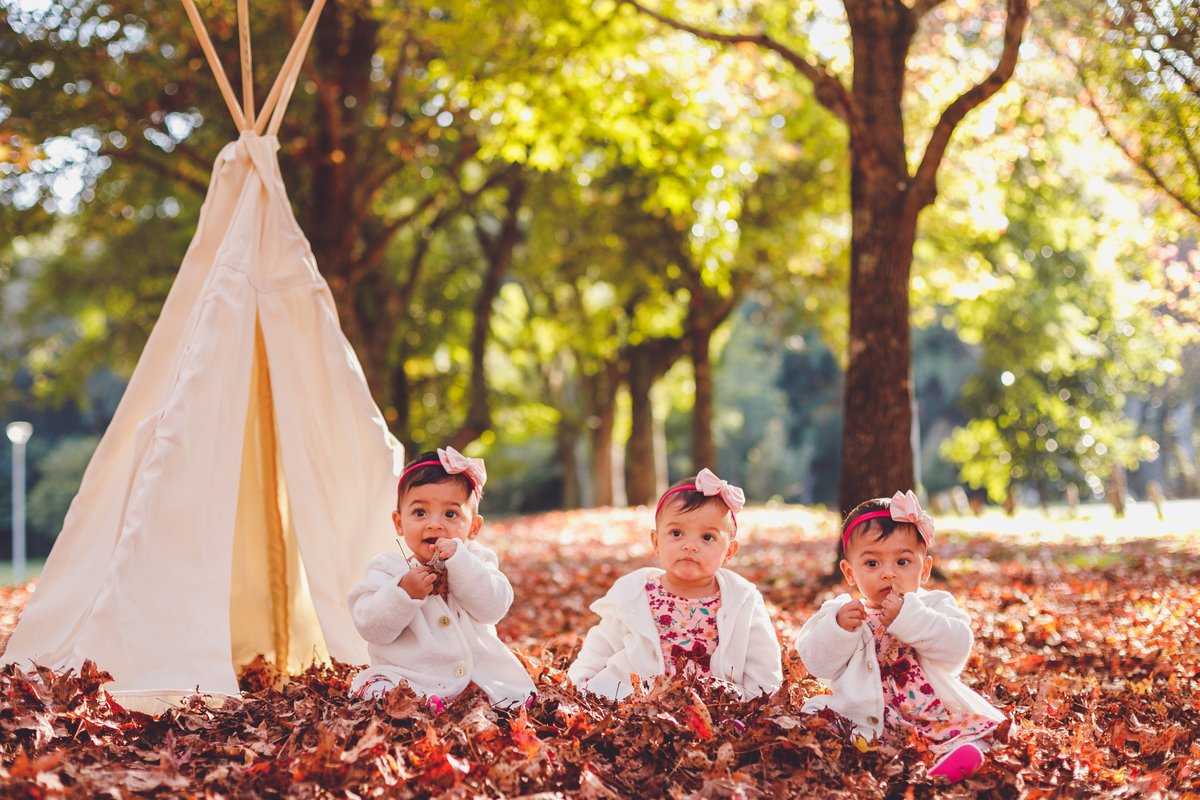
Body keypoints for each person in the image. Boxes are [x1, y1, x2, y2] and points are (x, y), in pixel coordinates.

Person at [794, 491, 1005, 782]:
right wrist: (838, 629)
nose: (889, 574)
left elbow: (956, 651)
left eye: (903, 562)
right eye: (872, 564)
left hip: (924, 714)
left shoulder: (933, 607)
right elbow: (818, 664)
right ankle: (828, 759)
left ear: (925, 569)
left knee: (960, 733)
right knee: (813, 713)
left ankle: (950, 764)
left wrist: (911, 619)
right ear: (849, 572)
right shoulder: (841, 612)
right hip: (859, 714)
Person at [568, 469, 782, 701]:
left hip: (714, 706)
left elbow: (763, 659)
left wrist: (756, 701)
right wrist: (582, 682)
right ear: (656, 541)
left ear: (729, 551)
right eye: (677, 533)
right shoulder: (635, 594)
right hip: (638, 703)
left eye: (707, 537)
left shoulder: (742, 600)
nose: (690, 546)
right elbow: (602, 643)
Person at [347, 448, 535, 708]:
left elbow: (493, 609)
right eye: (420, 513)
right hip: (409, 676)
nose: (434, 524)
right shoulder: (388, 571)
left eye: (450, 514)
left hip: (475, 673)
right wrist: (402, 593)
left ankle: (470, 702)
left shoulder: (478, 562)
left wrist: (462, 563)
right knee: (374, 685)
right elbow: (369, 627)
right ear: (399, 522)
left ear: (473, 528)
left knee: (505, 692)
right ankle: (420, 704)